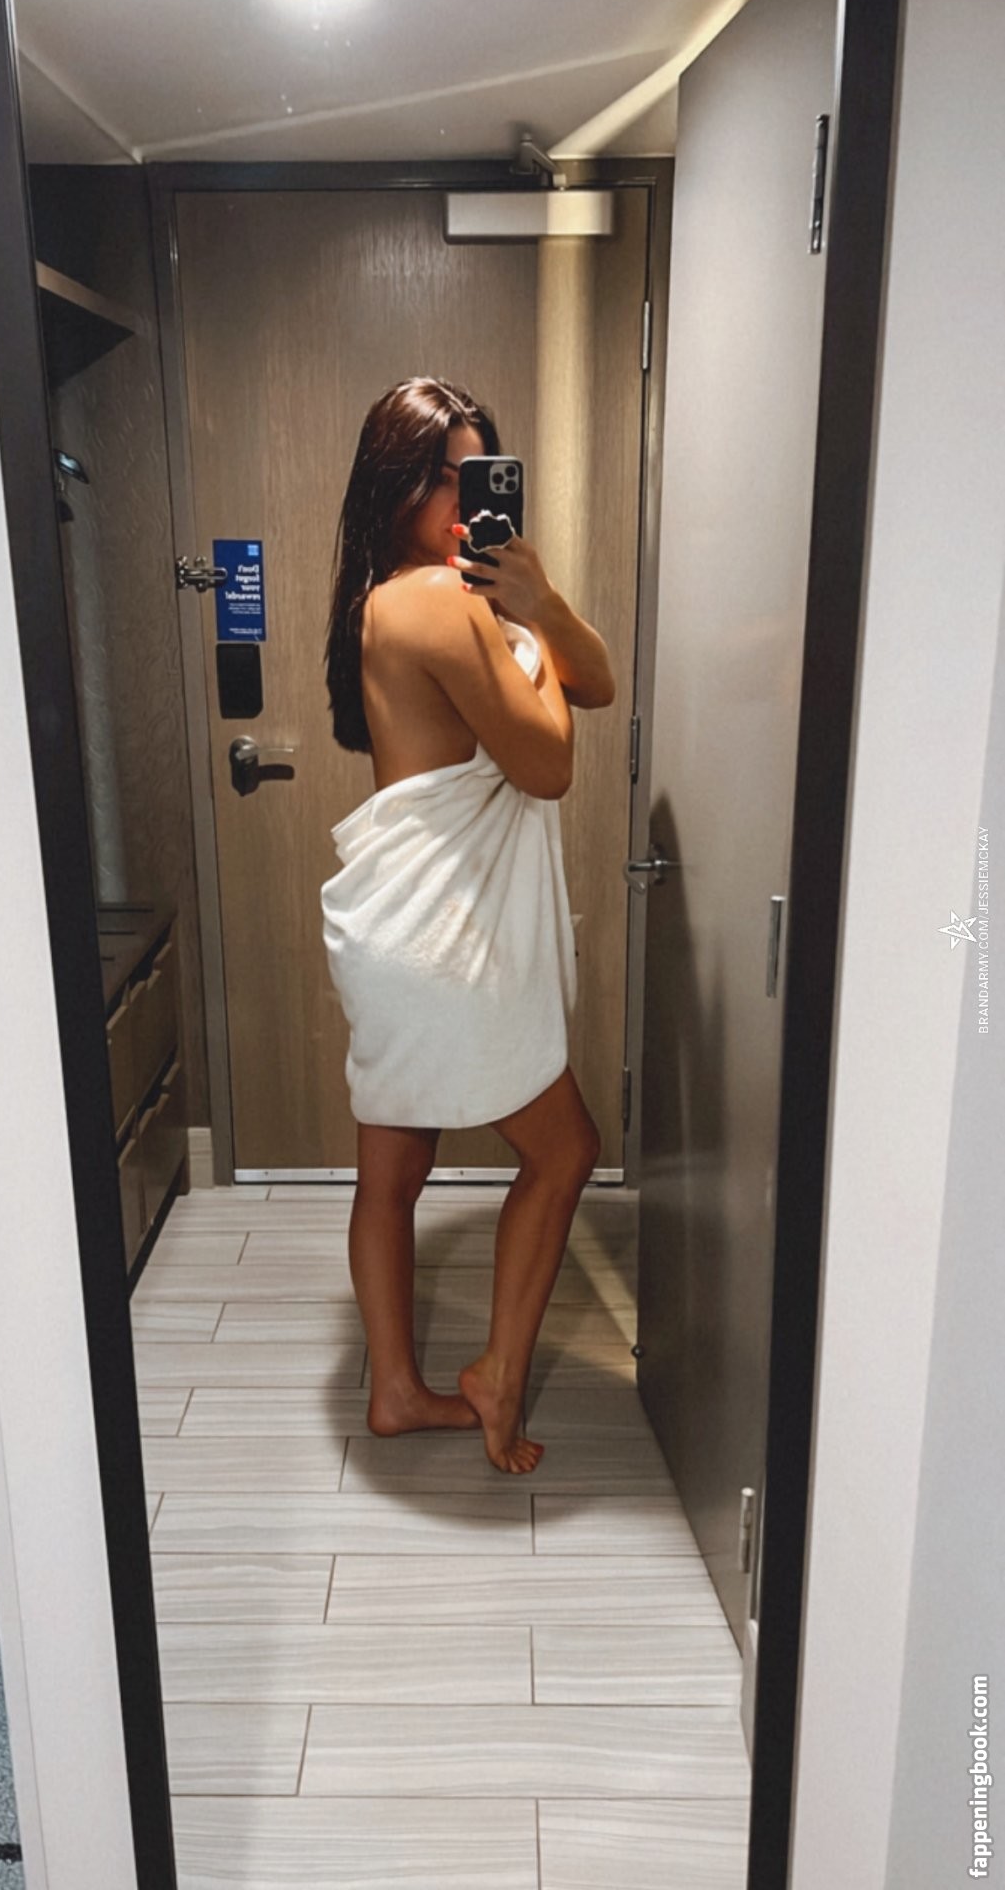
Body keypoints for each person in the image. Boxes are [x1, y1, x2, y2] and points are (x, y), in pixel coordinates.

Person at [321, 375, 616, 1473]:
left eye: (478, 474)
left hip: (406, 924)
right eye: (442, 476)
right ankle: (493, 1374)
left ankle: (396, 1394)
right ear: (394, 483)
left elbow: (594, 680)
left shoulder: (415, 596)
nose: (462, 499)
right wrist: (529, 623)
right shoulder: (435, 603)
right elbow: (547, 765)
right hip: (442, 930)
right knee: (565, 1149)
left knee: (392, 1170)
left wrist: (539, 603)